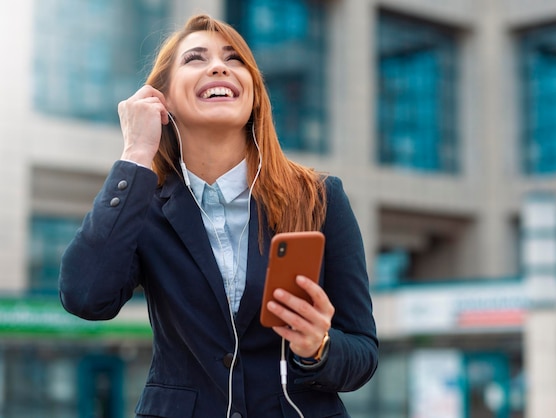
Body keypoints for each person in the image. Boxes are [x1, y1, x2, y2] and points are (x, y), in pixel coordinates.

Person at [59, 13, 378, 418]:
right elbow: (85, 297)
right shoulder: (143, 205)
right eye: (195, 58)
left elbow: (363, 355)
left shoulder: (319, 198)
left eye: (234, 59)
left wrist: (320, 346)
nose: (218, 66)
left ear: (254, 94)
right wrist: (136, 154)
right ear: (162, 100)